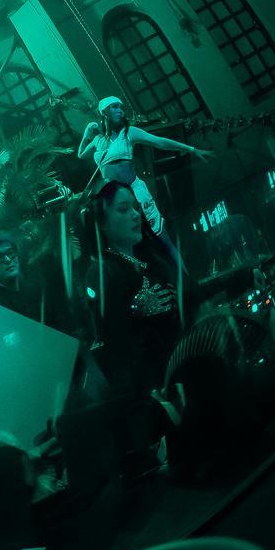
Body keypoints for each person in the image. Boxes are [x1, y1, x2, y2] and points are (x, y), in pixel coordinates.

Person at [81, 180, 184, 480]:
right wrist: (152, 397)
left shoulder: (150, 260)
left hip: (180, 375)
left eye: (135, 207)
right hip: (154, 399)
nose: (135, 215)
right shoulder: (103, 272)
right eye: (123, 209)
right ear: (102, 223)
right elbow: (118, 347)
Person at [77, 96, 212, 267]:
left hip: (135, 193)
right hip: (116, 200)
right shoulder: (98, 140)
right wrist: (87, 134)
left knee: (162, 239)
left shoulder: (128, 132)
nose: (120, 110)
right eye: (114, 107)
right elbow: (81, 155)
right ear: (104, 112)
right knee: (138, 247)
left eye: (121, 107)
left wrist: (191, 149)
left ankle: (185, 276)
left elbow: (159, 142)